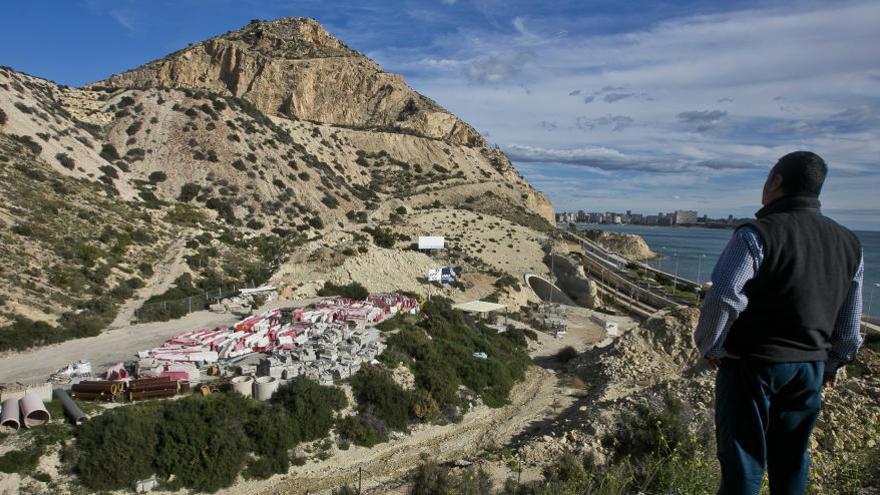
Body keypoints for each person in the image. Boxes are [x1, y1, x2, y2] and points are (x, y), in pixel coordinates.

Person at [694, 151, 864, 494]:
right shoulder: (850, 242)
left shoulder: (757, 233)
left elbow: (725, 294)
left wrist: (711, 345)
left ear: (775, 181)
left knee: (743, 462)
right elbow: (850, 316)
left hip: (753, 366)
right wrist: (835, 360)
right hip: (810, 369)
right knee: (792, 461)